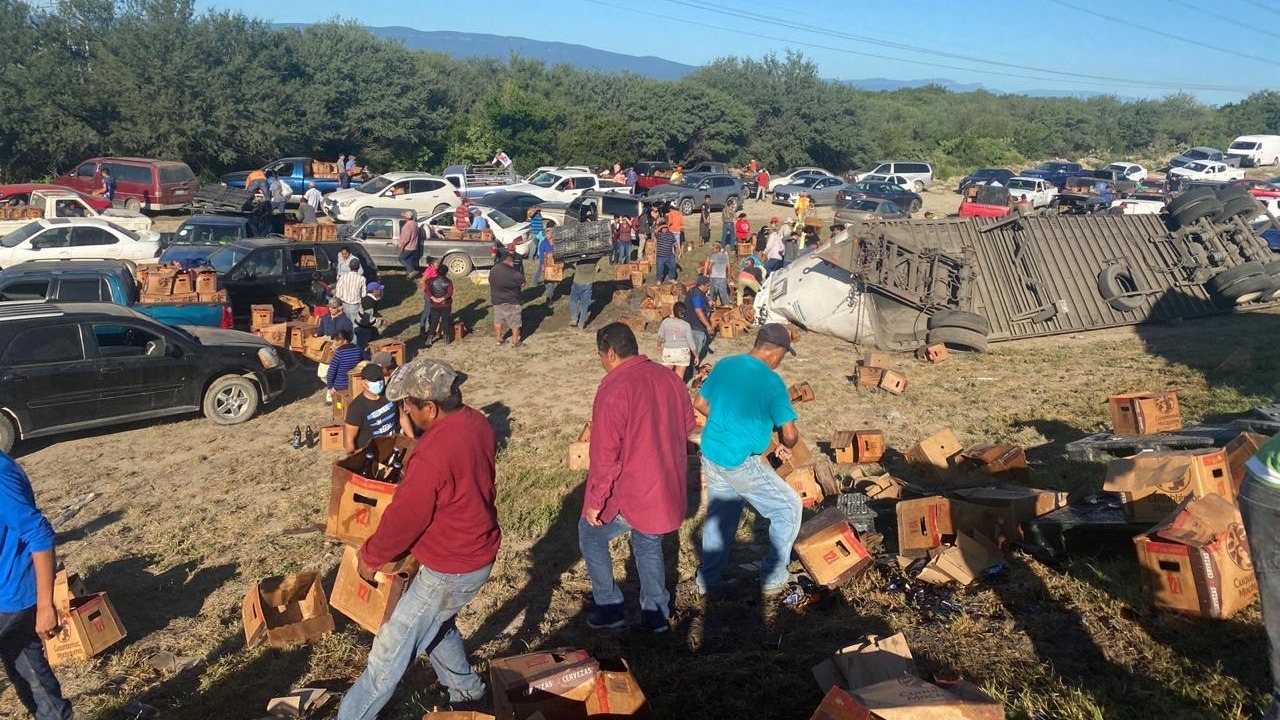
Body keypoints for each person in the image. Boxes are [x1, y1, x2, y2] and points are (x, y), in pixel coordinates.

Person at [334, 359, 499, 718]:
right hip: (476, 547)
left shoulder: (431, 454)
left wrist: (371, 556)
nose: (403, 409)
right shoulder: (477, 423)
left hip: (451, 566)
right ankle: (469, 693)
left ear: (431, 407)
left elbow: (406, 519)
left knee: (388, 653)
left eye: (408, 403)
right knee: (437, 623)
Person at [579, 323, 695, 633]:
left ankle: (610, 606)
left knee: (589, 534)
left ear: (612, 353)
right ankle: (656, 611)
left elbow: (604, 455)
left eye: (601, 356)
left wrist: (595, 502)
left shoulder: (614, 388)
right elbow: (686, 426)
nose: (602, 362)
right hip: (667, 486)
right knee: (648, 542)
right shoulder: (669, 378)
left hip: (634, 489)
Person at [694, 324, 801, 597]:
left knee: (723, 515)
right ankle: (774, 578)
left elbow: (700, 403)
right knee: (788, 507)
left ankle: (709, 579)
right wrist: (787, 444)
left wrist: (728, 422)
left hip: (712, 452)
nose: (781, 361)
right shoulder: (772, 382)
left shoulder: (726, 364)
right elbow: (789, 434)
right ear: (777, 352)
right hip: (739, 461)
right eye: (784, 355)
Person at [0, 451, 74, 720]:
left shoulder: (0, 474)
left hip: (11, 594)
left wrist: (45, 606)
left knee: (27, 668)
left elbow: (39, 533)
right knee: (27, 669)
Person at [343, 364, 401, 454]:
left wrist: (411, 439)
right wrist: (354, 459)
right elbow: (349, 439)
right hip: (371, 452)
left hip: (393, 444)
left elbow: (402, 417)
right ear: (364, 383)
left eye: (380, 379)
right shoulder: (356, 408)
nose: (379, 383)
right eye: (375, 381)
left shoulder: (389, 394)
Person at [489, 248, 525, 348]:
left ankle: (499, 339)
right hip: (512, 300)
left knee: (498, 320)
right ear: (510, 261)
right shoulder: (514, 274)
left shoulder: (494, 269)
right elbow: (522, 282)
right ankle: (515, 341)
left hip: (497, 299)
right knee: (515, 322)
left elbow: (490, 281)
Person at [325, 331, 364, 403]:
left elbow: (331, 372)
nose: (335, 342)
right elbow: (364, 361)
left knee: (340, 407)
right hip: (355, 383)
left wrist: (330, 387)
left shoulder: (339, 353)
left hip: (340, 385)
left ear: (345, 341)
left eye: (337, 340)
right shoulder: (358, 349)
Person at [422, 268, 454, 347]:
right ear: (446, 272)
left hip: (434, 305)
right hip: (445, 304)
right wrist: (442, 299)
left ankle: (430, 339)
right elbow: (450, 292)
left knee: (434, 322)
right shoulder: (448, 281)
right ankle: (446, 339)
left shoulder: (430, 281)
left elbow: (427, 290)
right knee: (445, 321)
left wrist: (433, 298)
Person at [686, 276, 713, 361]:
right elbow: (698, 311)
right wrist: (708, 326)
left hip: (692, 325)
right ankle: (692, 372)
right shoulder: (697, 295)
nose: (709, 288)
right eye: (708, 286)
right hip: (696, 328)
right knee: (695, 355)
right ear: (704, 285)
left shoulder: (695, 291)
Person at [567, 258, 595, 330]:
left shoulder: (579, 258)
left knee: (573, 301)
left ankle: (574, 319)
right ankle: (581, 324)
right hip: (588, 284)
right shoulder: (594, 258)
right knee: (585, 305)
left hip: (577, 282)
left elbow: (571, 260)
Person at [354, 283, 385, 349]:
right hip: (363, 329)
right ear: (375, 291)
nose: (381, 291)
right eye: (379, 290)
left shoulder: (368, 299)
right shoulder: (369, 302)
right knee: (363, 348)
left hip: (365, 327)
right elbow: (367, 318)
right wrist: (381, 322)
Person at [335, 258, 367, 322]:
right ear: (358, 267)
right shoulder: (362, 279)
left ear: (349, 267)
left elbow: (338, 293)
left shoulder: (343, 277)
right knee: (355, 325)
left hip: (344, 304)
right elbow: (363, 294)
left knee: (345, 324)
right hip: (355, 305)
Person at [705, 242, 731, 306]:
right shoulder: (725, 256)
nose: (712, 250)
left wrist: (708, 273)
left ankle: (711, 307)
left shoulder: (713, 256)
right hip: (722, 277)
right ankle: (726, 306)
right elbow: (728, 267)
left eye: (713, 249)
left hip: (714, 277)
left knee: (712, 294)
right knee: (723, 294)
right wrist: (729, 276)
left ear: (717, 249)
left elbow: (709, 267)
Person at [398, 210, 421, 278]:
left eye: (404, 217)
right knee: (409, 261)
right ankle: (410, 276)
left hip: (408, 247)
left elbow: (406, 238)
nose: (403, 218)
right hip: (414, 246)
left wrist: (402, 246)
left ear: (407, 218)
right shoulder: (415, 224)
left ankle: (411, 271)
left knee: (401, 259)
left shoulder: (407, 226)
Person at [537, 232, 557, 302]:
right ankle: (549, 297)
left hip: (554, 264)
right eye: (546, 234)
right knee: (547, 281)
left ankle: (550, 296)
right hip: (546, 263)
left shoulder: (556, 242)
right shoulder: (543, 243)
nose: (546, 235)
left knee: (552, 282)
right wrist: (542, 265)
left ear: (552, 234)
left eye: (548, 234)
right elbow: (541, 254)